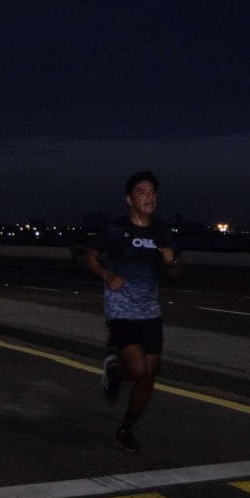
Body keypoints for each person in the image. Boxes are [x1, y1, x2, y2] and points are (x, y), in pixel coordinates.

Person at [85, 170, 182, 452]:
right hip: (121, 310)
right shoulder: (115, 230)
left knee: (148, 378)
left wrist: (172, 262)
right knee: (139, 369)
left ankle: (125, 428)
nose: (149, 197)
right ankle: (116, 370)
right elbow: (89, 256)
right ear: (129, 199)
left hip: (150, 312)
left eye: (153, 192)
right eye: (142, 192)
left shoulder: (163, 231)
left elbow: (177, 274)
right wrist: (106, 276)